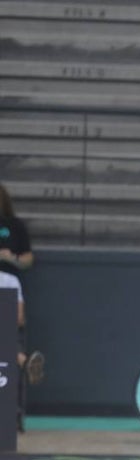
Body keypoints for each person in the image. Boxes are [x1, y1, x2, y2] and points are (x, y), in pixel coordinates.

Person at [0, 182, 44, 426]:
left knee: (9, 335)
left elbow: (27, 260)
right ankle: (22, 359)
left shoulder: (14, 226)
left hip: (6, 283)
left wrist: (11, 258)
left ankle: (12, 415)